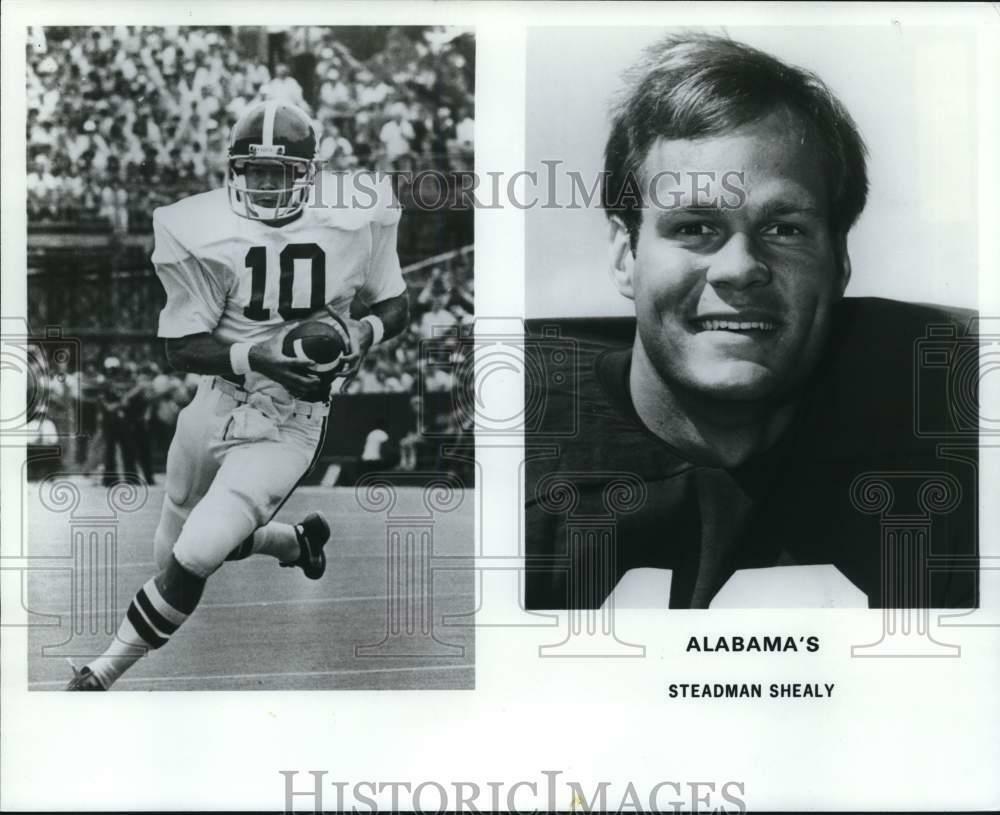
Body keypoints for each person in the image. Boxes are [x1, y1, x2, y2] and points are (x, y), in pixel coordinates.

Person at [524, 33, 978, 610]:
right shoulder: (520, 486)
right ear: (625, 254)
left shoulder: (954, 465)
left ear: (840, 260)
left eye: (784, 228)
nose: (739, 269)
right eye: (693, 227)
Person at [67, 99, 410, 689]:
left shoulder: (360, 217)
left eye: (280, 172)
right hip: (217, 400)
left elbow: (394, 304)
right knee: (170, 553)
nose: (267, 184)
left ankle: (100, 674)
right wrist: (256, 354)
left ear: (309, 172)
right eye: (255, 171)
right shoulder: (199, 230)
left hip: (291, 419)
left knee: (197, 553)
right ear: (236, 171)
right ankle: (295, 542)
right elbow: (181, 348)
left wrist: (366, 330)